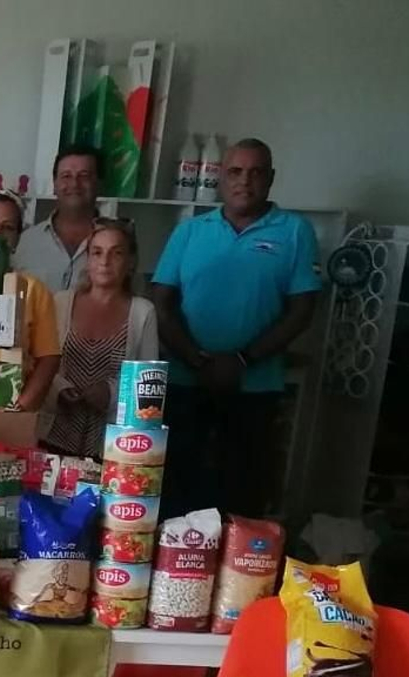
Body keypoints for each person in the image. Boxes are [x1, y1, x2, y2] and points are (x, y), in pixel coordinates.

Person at [152, 138, 321, 517]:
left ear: (271, 178)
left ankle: (238, 558)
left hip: (255, 387)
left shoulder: (295, 232)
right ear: (221, 178)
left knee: (243, 491)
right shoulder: (190, 231)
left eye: (255, 172)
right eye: (235, 171)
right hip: (186, 382)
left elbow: (303, 310)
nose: (244, 181)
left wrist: (243, 360)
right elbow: (161, 303)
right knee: (176, 490)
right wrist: (197, 361)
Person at [44, 220, 159, 457]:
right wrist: (61, 389)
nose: (105, 261)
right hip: (54, 434)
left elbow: (149, 387)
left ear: (130, 262)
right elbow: (40, 362)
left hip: (113, 444)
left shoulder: (143, 312)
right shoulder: (61, 302)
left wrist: (110, 392)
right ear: (88, 259)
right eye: (97, 252)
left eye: (116, 253)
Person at [0, 188, 61, 414]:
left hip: (10, 411)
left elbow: (48, 359)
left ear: (17, 238)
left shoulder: (33, 289)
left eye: (7, 227)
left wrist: (19, 409)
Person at [15, 145, 101, 293]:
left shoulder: (115, 245)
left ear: (98, 183)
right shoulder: (25, 242)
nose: (74, 184)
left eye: (84, 176)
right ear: (54, 184)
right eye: (66, 176)